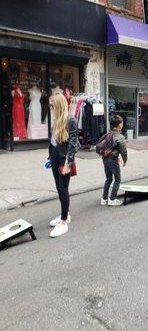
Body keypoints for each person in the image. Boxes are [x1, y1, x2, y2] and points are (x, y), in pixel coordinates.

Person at [48, 93, 78, 238]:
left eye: (52, 105)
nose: (50, 107)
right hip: (55, 155)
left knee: (63, 188)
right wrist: (50, 157)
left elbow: (73, 144)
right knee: (58, 188)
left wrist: (68, 163)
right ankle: (64, 214)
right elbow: (54, 141)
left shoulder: (70, 119)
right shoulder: (56, 119)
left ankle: (64, 221)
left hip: (63, 158)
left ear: (58, 104)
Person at [101, 115, 128, 206]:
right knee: (117, 179)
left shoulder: (108, 134)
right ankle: (112, 199)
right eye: (122, 122)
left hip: (105, 159)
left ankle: (104, 199)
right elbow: (123, 151)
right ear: (119, 124)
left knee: (108, 179)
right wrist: (125, 160)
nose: (123, 124)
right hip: (113, 160)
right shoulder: (120, 137)